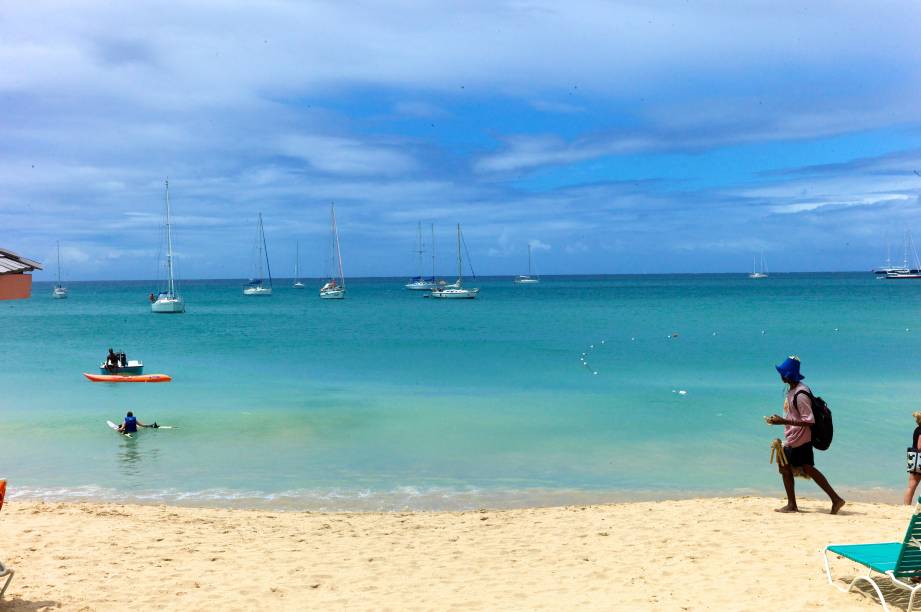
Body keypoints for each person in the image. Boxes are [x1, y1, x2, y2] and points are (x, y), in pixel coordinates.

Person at [765, 355, 845, 514]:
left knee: (795, 467)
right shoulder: (792, 390)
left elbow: (809, 421)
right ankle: (833, 499)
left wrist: (782, 422)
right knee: (795, 468)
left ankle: (795, 505)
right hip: (793, 437)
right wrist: (781, 420)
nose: (780, 375)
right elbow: (794, 415)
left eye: (782, 372)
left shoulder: (800, 394)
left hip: (800, 439)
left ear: (787, 375)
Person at [904, 412, 921, 505]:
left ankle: (906, 506)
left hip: (914, 459)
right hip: (919, 459)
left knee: (911, 486)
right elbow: (920, 446)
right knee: (912, 485)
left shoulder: (917, 429)